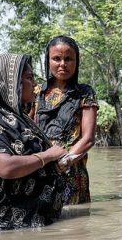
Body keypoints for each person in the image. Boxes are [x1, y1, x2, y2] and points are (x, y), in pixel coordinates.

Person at [0, 53, 71, 229]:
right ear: (10, 83)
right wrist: (48, 155)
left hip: (36, 222)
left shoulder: (18, 118)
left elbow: (31, 161)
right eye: (29, 78)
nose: (36, 86)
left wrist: (56, 164)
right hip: (6, 228)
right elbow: (6, 167)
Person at [31, 36, 98, 205]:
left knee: (74, 224)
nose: (62, 64)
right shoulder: (36, 92)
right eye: (56, 58)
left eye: (68, 59)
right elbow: (28, 129)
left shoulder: (84, 93)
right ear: (48, 61)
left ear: (76, 62)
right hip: (41, 167)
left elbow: (88, 138)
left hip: (71, 169)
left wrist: (64, 161)